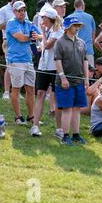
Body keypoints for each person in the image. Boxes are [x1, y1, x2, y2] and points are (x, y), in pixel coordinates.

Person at [54, 15, 89, 145]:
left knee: (76, 108)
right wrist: (63, 78)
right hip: (65, 82)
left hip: (79, 81)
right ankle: (65, 136)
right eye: (75, 26)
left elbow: (85, 61)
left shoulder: (81, 42)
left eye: (78, 26)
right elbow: (58, 61)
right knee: (67, 108)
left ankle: (76, 134)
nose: (77, 28)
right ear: (68, 27)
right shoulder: (60, 42)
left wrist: (86, 78)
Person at [6, 1, 42, 125]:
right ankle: (18, 117)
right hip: (16, 60)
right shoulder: (11, 23)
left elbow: (41, 35)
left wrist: (38, 36)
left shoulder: (29, 23)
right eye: (19, 10)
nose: (22, 13)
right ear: (14, 12)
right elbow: (21, 38)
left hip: (28, 60)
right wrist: (32, 37)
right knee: (16, 88)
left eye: (23, 10)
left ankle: (31, 116)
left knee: (31, 89)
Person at [32, 8, 62, 137]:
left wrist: (43, 33)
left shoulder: (58, 31)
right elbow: (44, 47)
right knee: (40, 94)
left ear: (48, 19)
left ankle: (59, 128)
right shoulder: (48, 31)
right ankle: (35, 125)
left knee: (56, 97)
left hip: (55, 68)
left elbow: (48, 45)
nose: (41, 20)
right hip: (43, 67)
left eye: (43, 17)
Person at [0, 0, 26, 99]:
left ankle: (16, 91)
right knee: (10, 65)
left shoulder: (23, 9)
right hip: (8, 40)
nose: (19, 3)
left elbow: (25, 22)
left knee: (19, 66)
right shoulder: (3, 10)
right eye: (17, 1)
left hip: (21, 39)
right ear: (12, 0)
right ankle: (6, 92)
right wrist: (12, 22)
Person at [71, 0, 96, 67]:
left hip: (73, 51)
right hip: (88, 49)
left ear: (74, 6)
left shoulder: (69, 18)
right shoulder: (90, 17)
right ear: (83, 6)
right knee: (90, 74)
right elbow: (93, 33)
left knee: (75, 75)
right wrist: (91, 44)